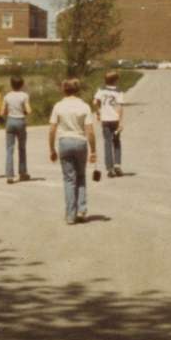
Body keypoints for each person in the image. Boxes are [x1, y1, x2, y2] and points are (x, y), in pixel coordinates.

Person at [48, 78, 97, 224]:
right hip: (80, 141)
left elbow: (52, 129)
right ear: (78, 90)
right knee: (81, 176)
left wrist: (51, 148)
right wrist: (93, 150)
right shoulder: (84, 106)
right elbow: (90, 131)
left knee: (69, 179)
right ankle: (81, 210)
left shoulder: (58, 106)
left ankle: (70, 214)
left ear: (64, 90)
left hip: (64, 142)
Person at [93, 70, 125, 177]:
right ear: (116, 80)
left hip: (105, 119)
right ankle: (117, 165)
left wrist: (98, 111)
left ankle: (109, 168)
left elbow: (95, 102)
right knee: (116, 141)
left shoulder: (101, 90)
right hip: (115, 119)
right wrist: (120, 121)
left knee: (107, 142)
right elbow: (120, 107)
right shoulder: (119, 91)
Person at [2, 75, 32, 184]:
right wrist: (23, 112)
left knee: (9, 149)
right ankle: (22, 172)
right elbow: (28, 110)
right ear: (22, 85)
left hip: (10, 121)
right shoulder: (24, 95)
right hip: (20, 121)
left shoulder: (7, 96)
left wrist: (8, 114)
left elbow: (2, 112)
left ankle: (9, 175)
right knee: (22, 148)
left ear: (11, 84)